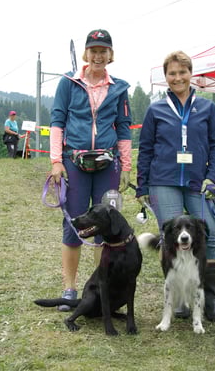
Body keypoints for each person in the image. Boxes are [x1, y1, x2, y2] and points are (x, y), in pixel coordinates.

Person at [136, 50, 215, 324]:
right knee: (172, 239)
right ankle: (178, 300)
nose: (178, 78)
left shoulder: (208, 108)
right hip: (163, 180)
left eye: (182, 72)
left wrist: (212, 176)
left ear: (191, 73)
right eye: (172, 73)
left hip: (198, 182)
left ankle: (210, 302)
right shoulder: (156, 110)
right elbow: (146, 149)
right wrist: (142, 185)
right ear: (166, 77)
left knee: (212, 234)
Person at [49, 29, 132, 311]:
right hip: (75, 163)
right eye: (93, 50)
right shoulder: (68, 83)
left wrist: (126, 166)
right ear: (86, 53)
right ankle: (70, 288)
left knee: (106, 227)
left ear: (110, 54)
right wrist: (56, 161)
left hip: (108, 165)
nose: (98, 56)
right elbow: (57, 121)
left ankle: (100, 287)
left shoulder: (119, 88)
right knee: (74, 223)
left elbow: (123, 127)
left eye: (103, 51)